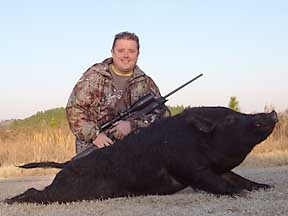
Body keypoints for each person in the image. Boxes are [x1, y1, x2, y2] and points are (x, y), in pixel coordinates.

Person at [66, 31, 169, 154]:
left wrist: (132, 125)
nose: (126, 55)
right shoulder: (94, 76)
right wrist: (94, 135)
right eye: (121, 51)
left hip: (132, 153)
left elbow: (163, 117)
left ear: (138, 54)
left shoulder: (146, 83)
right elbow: (74, 109)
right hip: (94, 150)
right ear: (112, 52)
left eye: (131, 51)